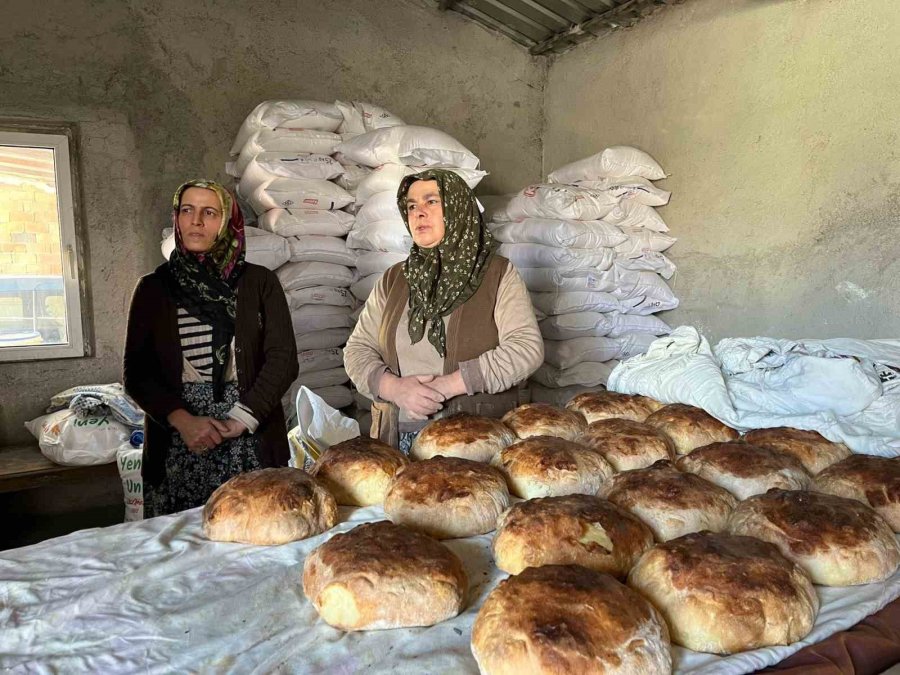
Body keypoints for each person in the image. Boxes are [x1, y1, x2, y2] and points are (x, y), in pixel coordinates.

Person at [124, 179, 298, 517]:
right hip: (179, 439)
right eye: (187, 210)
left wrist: (240, 419)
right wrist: (183, 421)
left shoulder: (259, 283)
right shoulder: (153, 289)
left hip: (248, 431)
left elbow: (283, 359)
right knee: (179, 540)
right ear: (177, 218)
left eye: (209, 212)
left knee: (256, 528)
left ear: (229, 221)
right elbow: (137, 373)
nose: (196, 221)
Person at [344, 169, 544, 453]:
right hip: (396, 441)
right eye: (411, 206)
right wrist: (394, 389)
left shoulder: (496, 274)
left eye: (431, 202)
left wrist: (447, 387)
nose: (419, 213)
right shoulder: (394, 279)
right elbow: (357, 349)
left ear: (457, 208)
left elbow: (525, 349)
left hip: (473, 442)